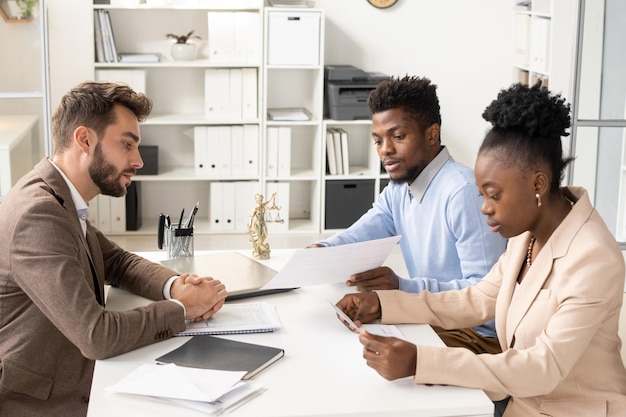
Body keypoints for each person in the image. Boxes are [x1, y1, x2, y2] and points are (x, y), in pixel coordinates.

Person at [335, 82, 626, 416]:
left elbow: (542, 367)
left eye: (494, 195)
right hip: (518, 401)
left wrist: (420, 360)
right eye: (482, 194)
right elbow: (477, 298)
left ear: (538, 185)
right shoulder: (527, 234)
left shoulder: (593, 257)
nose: (484, 208)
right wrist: (383, 305)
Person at [0, 81, 228, 417]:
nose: (138, 161)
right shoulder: (39, 214)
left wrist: (174, 285)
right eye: (127, 145)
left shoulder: (59, 195)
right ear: (85, 139)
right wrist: (183, 308)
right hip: (43, 402)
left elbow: (115, 261)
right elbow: (97, 336)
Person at [312, 75, 507, 354]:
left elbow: (485, 295)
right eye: (378, 140)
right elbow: (364, 231)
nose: (385, 150)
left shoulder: (463, 192)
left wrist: (401, 286)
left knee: (364, 356)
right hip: (433, 319)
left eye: (398, 137)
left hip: (476, 335)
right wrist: (323, 250)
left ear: (431, 134)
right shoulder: (400, 188)